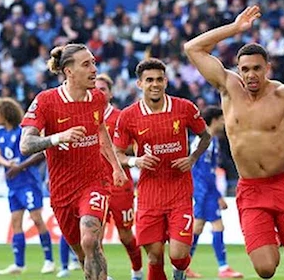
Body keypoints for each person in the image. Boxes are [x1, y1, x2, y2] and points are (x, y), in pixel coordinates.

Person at [184, 5, 284, 280]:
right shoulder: (228, 87)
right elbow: (192, 48)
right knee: (266, 268)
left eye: (257, 68)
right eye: (245, 69)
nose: (251, 75)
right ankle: (272, 235)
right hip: (251, 190)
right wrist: (235, 28)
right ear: (238, 69)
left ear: (268, 67)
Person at [19, 43, 128, 280]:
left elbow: (101, 132)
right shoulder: (46, 101)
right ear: (69, 71)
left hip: (95, 181)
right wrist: (58, 137)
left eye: (94, 63)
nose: (94, 69)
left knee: (90, 240)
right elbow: (25, 145)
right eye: (86, 64)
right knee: (81, 252)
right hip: (62, 190)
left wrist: (116, 167)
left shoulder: (97, 98)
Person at [113, 58, 212, 280]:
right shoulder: (128, 116)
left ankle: (180, 272)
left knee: (178, 255)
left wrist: (192, 158)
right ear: (139, 84)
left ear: (166, 81)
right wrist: (135, 161)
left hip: (179, 191)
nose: (155, 84)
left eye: (159, 79)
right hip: (149, 194)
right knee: (155, 256)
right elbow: (117, 154)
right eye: (149, 80)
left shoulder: (184, 108)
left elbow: (205, 136)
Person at [0, 97, 55, 275]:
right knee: (16, 221)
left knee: (36, 218)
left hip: (28, 182)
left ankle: (49, 260)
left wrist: (19, 167)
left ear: (5, 114)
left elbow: (41, 153)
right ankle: (19, 264)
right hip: (13, 184)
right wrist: (8, 164)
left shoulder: (23, 131)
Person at [185, 106, 244, 279]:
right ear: (215, 120)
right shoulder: (206, 140)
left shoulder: (210, 139)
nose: (224, 123)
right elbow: (204, 171)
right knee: (217, 225)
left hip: (202, 189)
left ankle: (184, 265)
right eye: (222, 119)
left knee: (199, 226)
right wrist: (217, 196)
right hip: (204, 190)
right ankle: (223, 267)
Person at [95, 74, 144, 280]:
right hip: (95, 185)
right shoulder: (84, 117)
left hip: (119, 184)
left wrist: (122, 155)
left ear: (110, 93)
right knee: (94, 237)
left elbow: (134, 149)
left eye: (102, 89)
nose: (98, 92)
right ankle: (102, 276)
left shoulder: (121, 117)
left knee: (125, 235)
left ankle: (137, 271)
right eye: (94, 89)